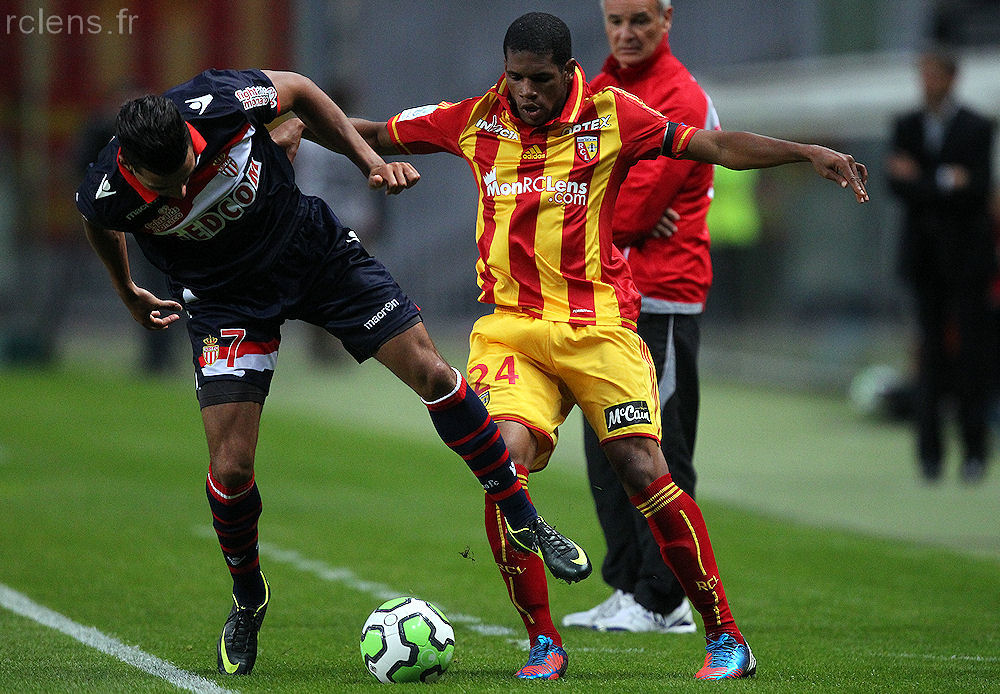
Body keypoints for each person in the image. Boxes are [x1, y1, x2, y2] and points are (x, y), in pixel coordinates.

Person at [290, 12, 866, 680]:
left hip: (599, 328)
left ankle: (726, 637)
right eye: (515, 77)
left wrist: (805, 152)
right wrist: (296, 126)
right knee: (501, 465)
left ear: (568, 72)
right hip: (513, 331)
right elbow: (371, 133)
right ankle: (543, 641)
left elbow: (712, 144)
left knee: (642, 468)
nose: (525, 92)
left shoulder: (612, 116)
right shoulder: (476, 118)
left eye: (539, 79)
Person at [74, 68, 591, 678]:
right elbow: (98, 223)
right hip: (226, 302)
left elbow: (298, 90)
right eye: (172, 186)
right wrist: (129, 293)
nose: (188, 184)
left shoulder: (216, 104)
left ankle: (525, 518)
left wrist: (370, 160)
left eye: (191, 166)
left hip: (313, 253)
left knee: (432, 371)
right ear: (135, 169)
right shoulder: (108, 188)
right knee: (230, 467)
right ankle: (248, 597)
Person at [562, 0, 718, 636]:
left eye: (640, 20)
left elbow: (630, 206)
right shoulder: (597, 90)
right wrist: (602, 206)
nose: (625, 33)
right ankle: (629, 586)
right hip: (603, 298)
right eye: (615, 20)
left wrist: (600, 208)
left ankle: (665, 597)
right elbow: (558, 183)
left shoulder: (680, 98)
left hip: (661, 298)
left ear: (667, 19)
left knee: (660, 449)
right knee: (605, 451)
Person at [886, 49, 996, 484]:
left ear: (951, 78)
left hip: (968, 261)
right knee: (930, 357)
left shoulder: (977, 126)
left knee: (972, 356)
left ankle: (974, 453)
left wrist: (922, 178)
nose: (926, 83)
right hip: (924, 260)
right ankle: (929, 456)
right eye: (923, 75)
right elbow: (896, 184)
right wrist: (946, 179)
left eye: (933, 75)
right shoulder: (906, 125)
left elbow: (977, 187)